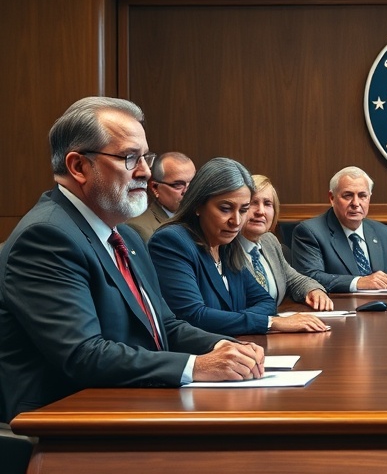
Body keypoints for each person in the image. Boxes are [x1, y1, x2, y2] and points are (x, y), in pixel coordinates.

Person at [0, 97, 265, 424]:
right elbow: (84, 355)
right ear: (79, 166)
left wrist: (226, 347)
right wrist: (196, 367)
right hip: (67, 428)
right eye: (129, 158)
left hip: (134, 406)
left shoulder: (128, 238)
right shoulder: (46, 237)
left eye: (145, 157)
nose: (145, 171)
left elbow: (165, 327)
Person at [149, 158, 329, 336]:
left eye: (243, 210)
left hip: (237, 348)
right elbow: (194, 316)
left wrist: (228, 320)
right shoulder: (172, 241)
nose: (236, 222)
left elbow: (265, 301)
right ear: (198, 205)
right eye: (225, 208)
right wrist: (270, 323)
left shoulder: (227, 244)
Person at [291, 166, 387, 292]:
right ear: (332, 198)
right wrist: (358, 282)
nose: (356, 203)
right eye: (348, 195)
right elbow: (310, 277)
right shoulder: (310, 232)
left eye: (362, 196)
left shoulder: (383, 232)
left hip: (381, 311)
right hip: (338, 311)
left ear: (369, 198)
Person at [239, 175, 333, 310]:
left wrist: (314, 291)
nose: (261, 211)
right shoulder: (226, 248)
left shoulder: (269, 241)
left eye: (267, 204)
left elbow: (293, 279)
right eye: (253, 203)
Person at [127, 151, 195, 242]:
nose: (187, 191)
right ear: (155, 188)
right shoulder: (140, 229)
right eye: (178, 185)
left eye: (193, 183)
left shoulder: (199, 220)